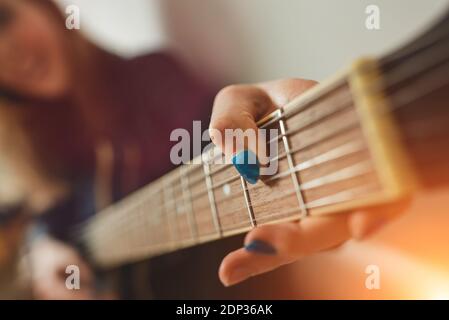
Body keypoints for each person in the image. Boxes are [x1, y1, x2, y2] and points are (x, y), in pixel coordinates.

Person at [0, 0, 402, 299]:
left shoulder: (153, 77)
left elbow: (211, 146)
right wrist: (39, 251)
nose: (9, 56)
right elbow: (45, 219)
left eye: (3, 20)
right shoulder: (35, 155)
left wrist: (276, 143)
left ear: (46, 7)